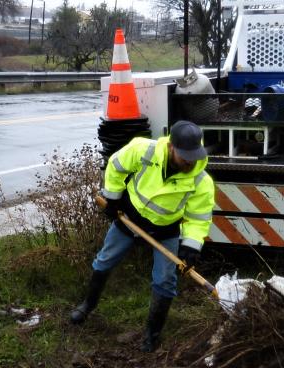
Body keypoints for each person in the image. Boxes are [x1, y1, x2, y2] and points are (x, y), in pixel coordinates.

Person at [69, 120, 216, 352]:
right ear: (171, 147)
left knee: (165, 280)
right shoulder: (142, 149)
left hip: (165, 230)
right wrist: (112, 198)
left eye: (194, 155)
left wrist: (191, 245)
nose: (190, 161)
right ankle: (88, 305)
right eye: (185, 155)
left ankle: (151, 334)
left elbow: (198, 218)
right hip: (129, 218)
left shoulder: (201, 181)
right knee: (105, 260)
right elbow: (116, 166)